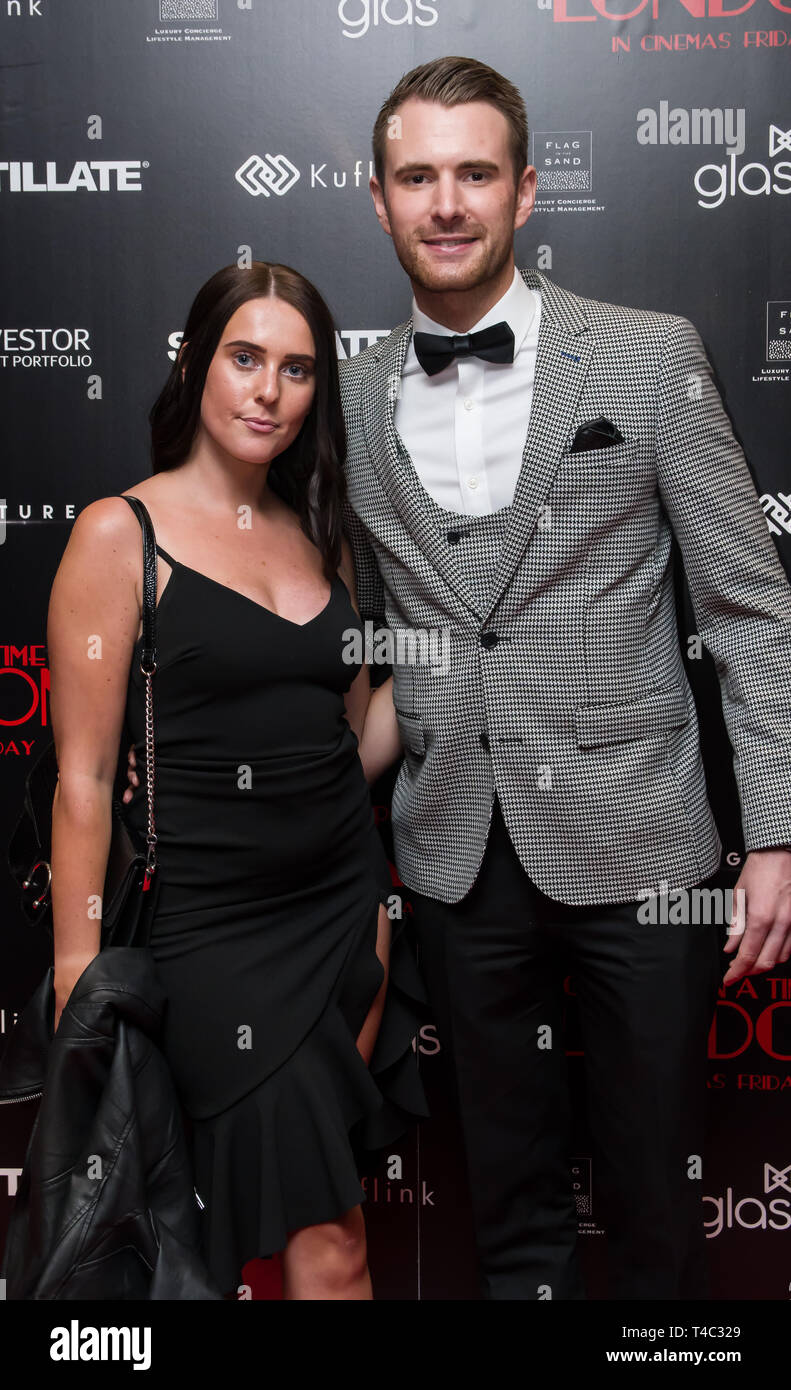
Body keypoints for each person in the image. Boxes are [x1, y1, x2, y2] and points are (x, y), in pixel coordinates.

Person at [333, 57, 791, 1299]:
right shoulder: (350, 388)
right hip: (452, 857)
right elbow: (371, 629)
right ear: (376, 200)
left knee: (653, 1204)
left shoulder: (646, 359)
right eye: (416, 175)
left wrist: (776, 839)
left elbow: (748, 606)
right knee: (510, 1207)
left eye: (473, 172)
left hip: (641, 848)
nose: (445, 201)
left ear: (525, 190)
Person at [47, 261, 427, 1301]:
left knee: (322, 1233)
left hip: (344, 918)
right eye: (244, 358)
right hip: (213, 936)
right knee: (289, 1242)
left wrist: (477, 649)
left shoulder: (324, 538)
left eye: (296, 368)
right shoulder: (123, 532)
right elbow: (82, 776)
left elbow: (346, 747)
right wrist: (78, 967)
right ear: (196, 366)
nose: (268, 390)